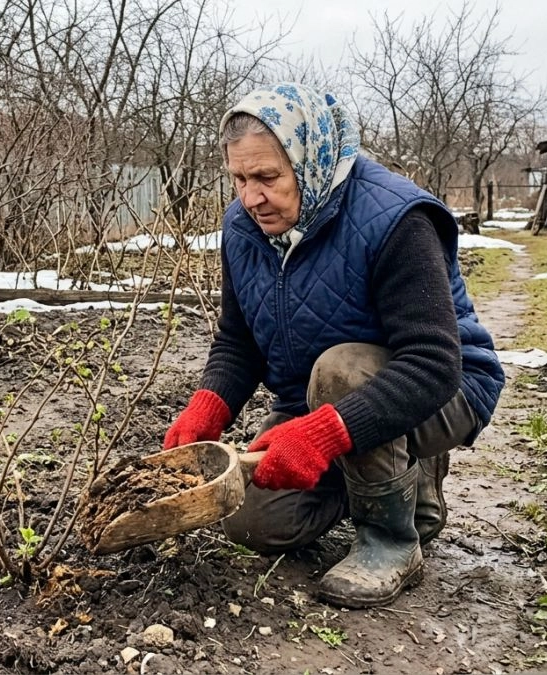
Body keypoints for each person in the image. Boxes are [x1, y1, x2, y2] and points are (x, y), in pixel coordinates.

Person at [163, 83, 505, 609]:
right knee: (255, 523)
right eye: (239, 179)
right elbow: (239, 340)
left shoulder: (396, 218)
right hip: (315, 400)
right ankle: (397, 478)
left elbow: (434, 363)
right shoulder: (243, 228)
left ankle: (392, 543)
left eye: (268, 178)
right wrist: (208, 407)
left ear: (310, 159)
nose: (251, 197)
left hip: (444, 392)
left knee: (342, 369)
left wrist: (323, 436)